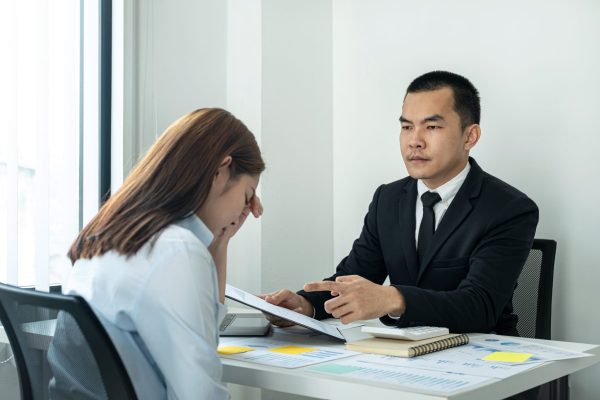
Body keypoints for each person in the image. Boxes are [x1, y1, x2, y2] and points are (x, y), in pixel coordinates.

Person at [262, 71, 539, 337]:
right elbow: (354, 276)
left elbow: (479, 306)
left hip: (484, 360)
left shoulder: (509, 209)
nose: (414, 141)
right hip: (404, 357)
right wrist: (304, 307)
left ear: (470, 136)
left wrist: (393, 298)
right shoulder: (388, 199)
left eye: (431, 127)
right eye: (407, 127)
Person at [48, 108, 265, 399]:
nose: (245, 210)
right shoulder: (176, 250)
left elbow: (202, 342)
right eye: (247, 195)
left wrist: (220, 244)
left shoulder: (109, 234)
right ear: (221, 170)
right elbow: (201, 394)